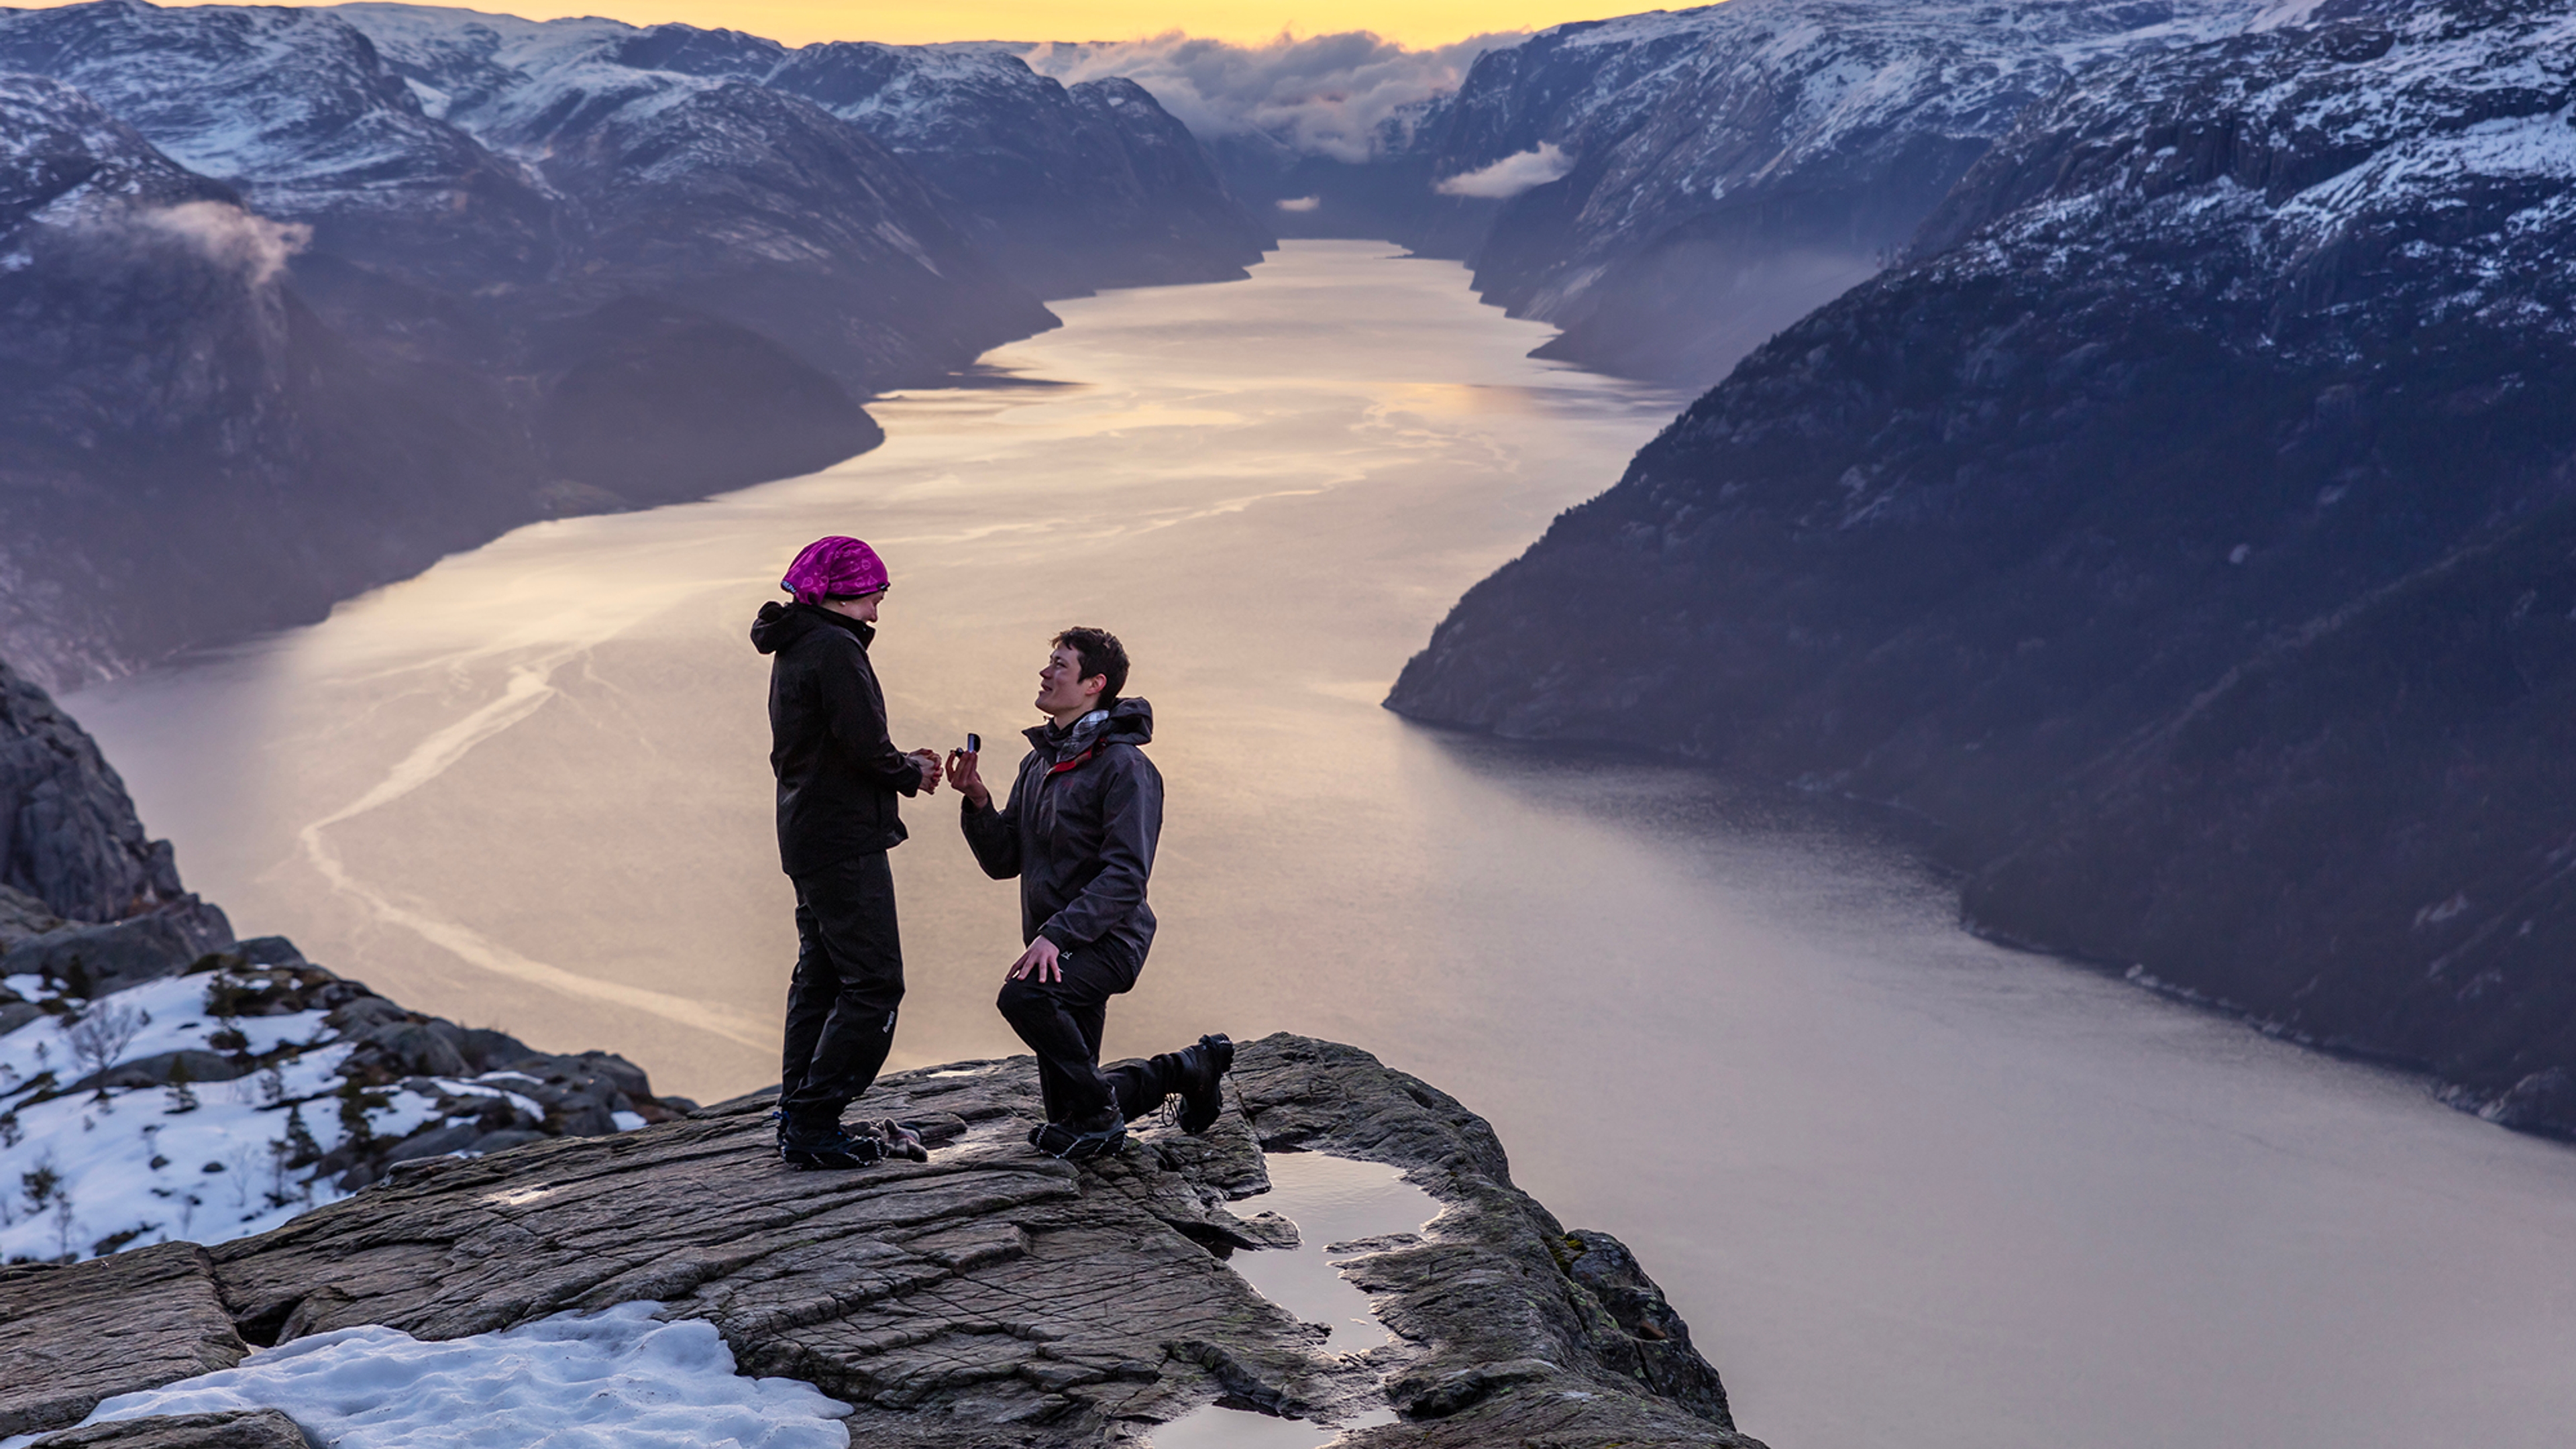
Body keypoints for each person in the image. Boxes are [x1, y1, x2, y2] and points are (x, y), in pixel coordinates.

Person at [945, 627, 1230, 1160]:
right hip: (1056, 946)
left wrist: (1057, 935)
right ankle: (1189, 1069)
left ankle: (1107, 1110)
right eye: (1048, 662)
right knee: (1069, 1115)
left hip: (1105, 941)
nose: (1045, 672)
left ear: (1095, 683)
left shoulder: (1126, 768)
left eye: (1060, 665)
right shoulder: (1040, 763)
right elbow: (1005, 861)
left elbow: (1126, 876)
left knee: (1024, 997)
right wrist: (979, 802)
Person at [750, 535, 941, 1170]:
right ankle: (812, 1120)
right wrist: (910, 770)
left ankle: (797, 1112)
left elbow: (834, 746)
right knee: (875, 982)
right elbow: (863, 744)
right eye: (872, 598)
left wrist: (896, 766)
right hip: (842, 838)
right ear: (840, 591)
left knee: (822, 975)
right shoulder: (834, 648)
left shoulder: (800, 642)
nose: (876, 615)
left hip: (807, 833)